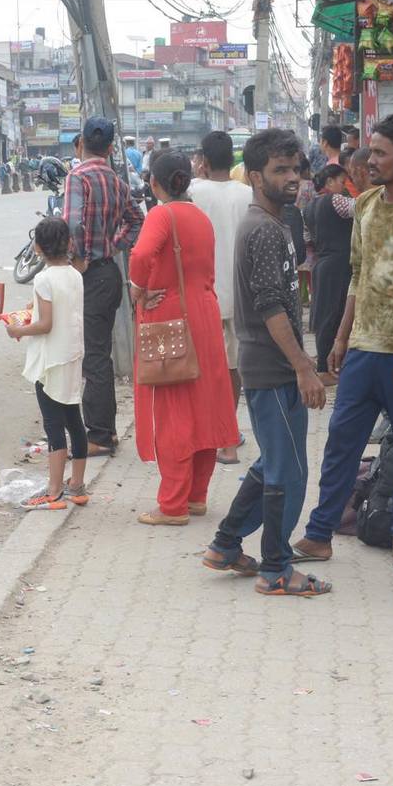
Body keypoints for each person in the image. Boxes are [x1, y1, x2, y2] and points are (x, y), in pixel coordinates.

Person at [293, 113, 393, 569]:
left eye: (380, 153)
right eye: (370, 152)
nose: (369, 161)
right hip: (363, 349)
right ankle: (320, 533)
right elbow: (357, 275)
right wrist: (341, 337)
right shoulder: (364, 206)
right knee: (341, 443)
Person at [203, 129, 331, 595]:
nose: (293, 178)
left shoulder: (277, 223)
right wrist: (303, 368)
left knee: (273, 463)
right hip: (271, 368)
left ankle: (224, 544)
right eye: (281, 170)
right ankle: (276, 569)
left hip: (275, 365)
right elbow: (271, 306)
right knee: (289, 471)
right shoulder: (261, 229)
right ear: (256, 176)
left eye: (295, 168)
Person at [129, 149, 238, 525]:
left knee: (172, 409)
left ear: (155, 183)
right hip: (205, 315)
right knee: (205, 405)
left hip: (169, 319)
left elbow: (141, 255)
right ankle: (196, 496)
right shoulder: (199, 217)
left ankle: (172, 505)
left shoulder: (162, 214)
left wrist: (139, 289)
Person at [64, 116, 145, 457]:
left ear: (81, 142)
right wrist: (114, 243)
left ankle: (98, 435)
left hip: (88, 274)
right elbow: (137, 220)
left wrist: (78, 256)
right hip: (109, 272)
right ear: (112, 148)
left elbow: (71, 222)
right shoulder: (116, 180)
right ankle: (105, 431)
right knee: (101, 353)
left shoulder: (77, 176)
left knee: (93, 356)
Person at [4, 216, 90, 511]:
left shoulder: (42, 278)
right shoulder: (75, 275)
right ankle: (77, 485)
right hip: (73, 354)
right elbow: (62, 309)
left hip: (51, 361)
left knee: (54, 424)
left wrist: (17, 329)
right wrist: (35, 308)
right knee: (74, 420)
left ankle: (53, 492)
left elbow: (45, 324)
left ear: (38, 247)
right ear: (68, 244)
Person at [190, 131, 254, 465]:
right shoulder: (247, 194)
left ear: (203, 161)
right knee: (233, 368)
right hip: (239, 295)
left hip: (200, 294)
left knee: (203, 369)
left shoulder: (191, 192)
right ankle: (227, 439)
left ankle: (208, 434)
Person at [307, 161, 354, 379]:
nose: (344, 187)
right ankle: (325, 369)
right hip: (338, 264)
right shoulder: (336, 200)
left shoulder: (309, 207)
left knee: (324, 314)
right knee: (334, 315)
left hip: (320, 264)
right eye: (342, 182)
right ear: (329, 182)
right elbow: (359, 208)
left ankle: (327, 364)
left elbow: (307, 239)